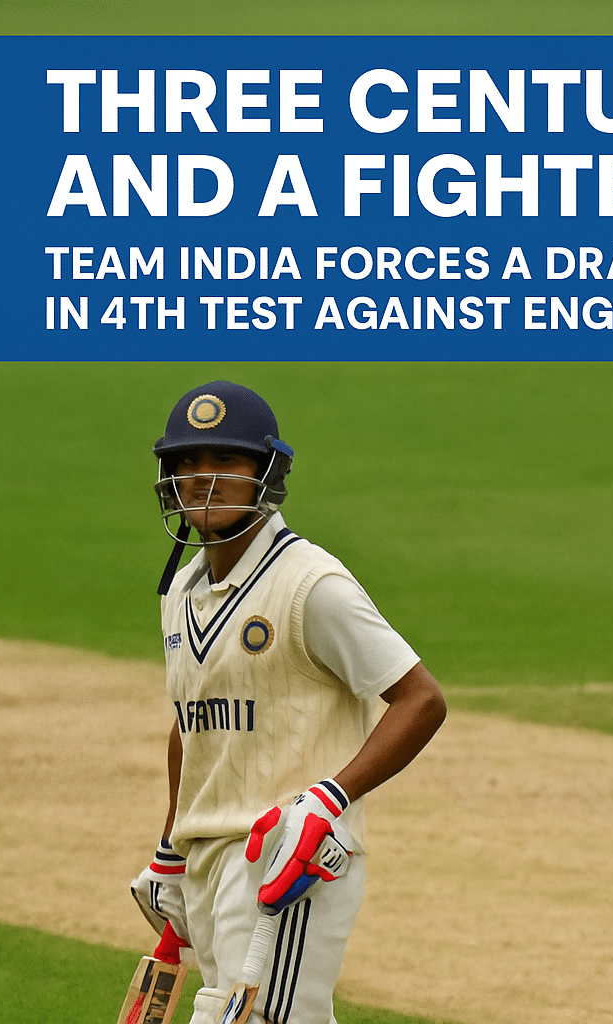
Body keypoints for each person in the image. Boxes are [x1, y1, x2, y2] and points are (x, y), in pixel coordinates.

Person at [128, 380, 447, 1023]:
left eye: (226, 462)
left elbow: (421, 699)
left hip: (291, 860)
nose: (204, 480)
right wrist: (171, 848)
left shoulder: (312, 585)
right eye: (188, 463)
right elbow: (190, 724)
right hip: (210, 859)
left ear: (266, 474)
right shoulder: (182, 591)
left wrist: (329, 798)